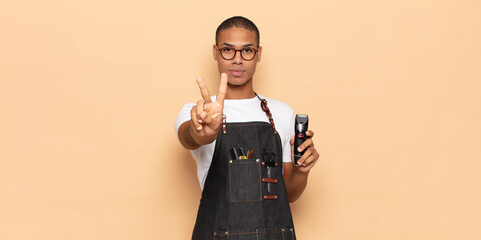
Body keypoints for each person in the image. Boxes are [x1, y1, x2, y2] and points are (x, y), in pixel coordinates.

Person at [174, 16, 319, 240]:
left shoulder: (282, 114)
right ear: (215, 52)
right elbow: (188, 137)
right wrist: (200, 133)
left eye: (247, 51)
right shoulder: (199, 112)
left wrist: (301, 171)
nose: (237, 60)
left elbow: (288, 194)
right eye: (228, 50)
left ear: (258, 54)